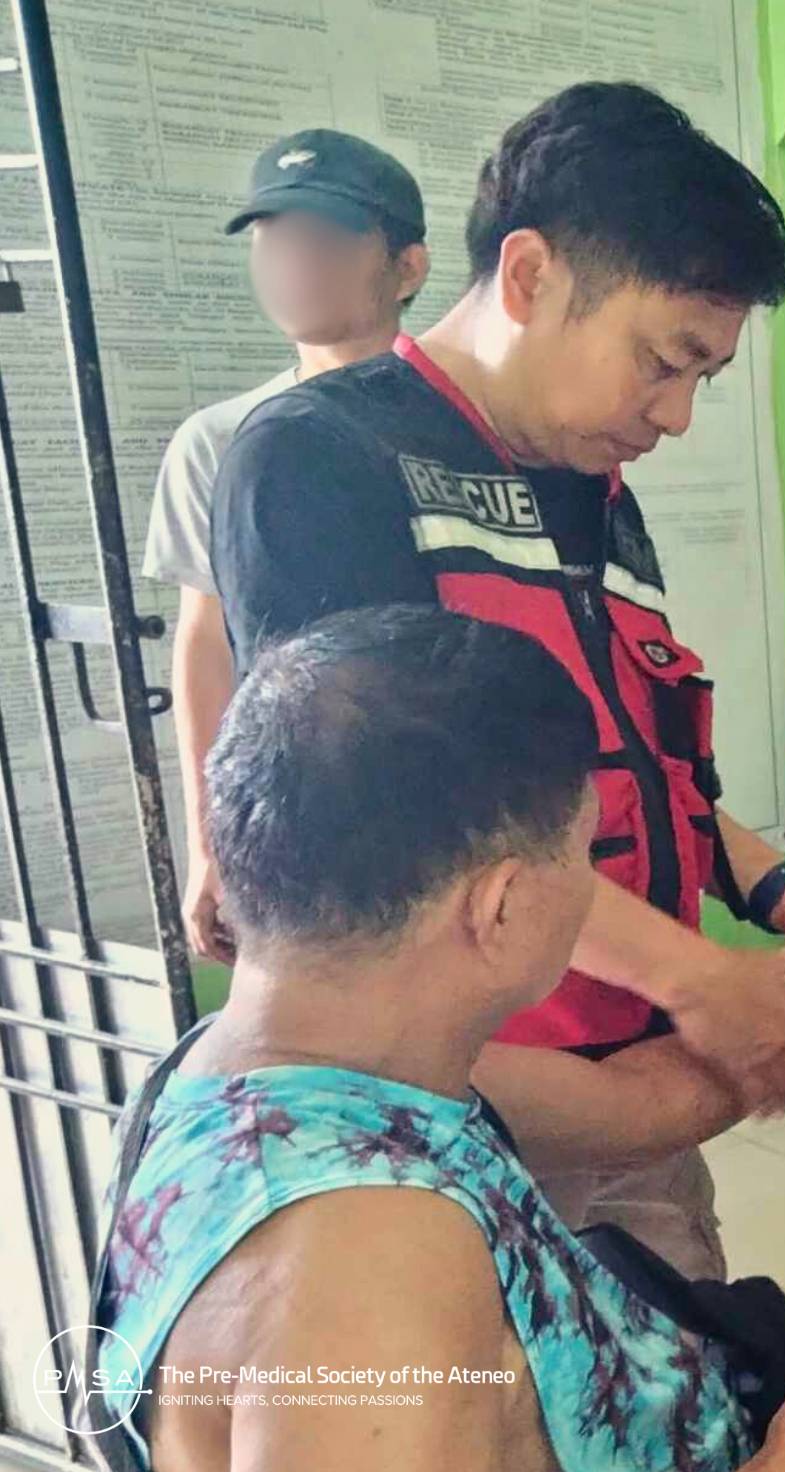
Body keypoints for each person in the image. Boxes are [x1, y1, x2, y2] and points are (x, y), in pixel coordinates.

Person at [208, 83, 785, 1280]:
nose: (680, 413)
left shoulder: (598, 490)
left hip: (634, 1098)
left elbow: (644, 768)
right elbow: (407, 824)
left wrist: (778, 891)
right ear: (532, 276)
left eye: (704, 375)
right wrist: (702, 980)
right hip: (457, 1115)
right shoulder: (321, 460)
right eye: (666, 360)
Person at [89, 607, 785, 1472]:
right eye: (586, 852)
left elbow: (633, 1107)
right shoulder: (361, 1269)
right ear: (503, 906)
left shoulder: (292, 1071)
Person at [142, 128, 430, 965]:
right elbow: (206, 646)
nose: (295, 261)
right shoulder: (219, 441)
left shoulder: (465, 424)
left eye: (327, 238)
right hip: (299, 827)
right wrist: (209, 844)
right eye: (275, 240)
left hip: (451, 805)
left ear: (407, 266)